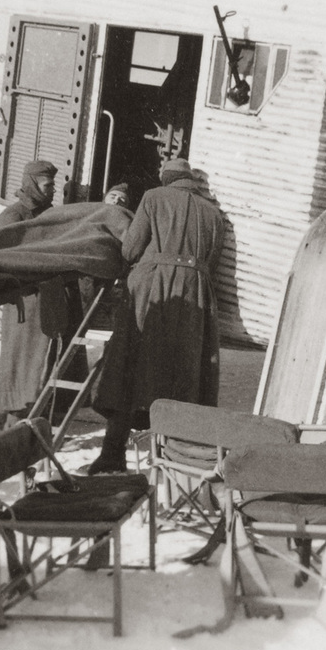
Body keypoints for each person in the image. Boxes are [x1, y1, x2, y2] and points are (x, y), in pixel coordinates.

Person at [89, 157, 225, 474]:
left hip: (154, 293)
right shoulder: (214, 213)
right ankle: (177, 462)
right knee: (184, 375)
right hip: (196, 297)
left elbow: (131, 250)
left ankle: (112, 454)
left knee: (129, 365)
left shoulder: (153, 197)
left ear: (166, 179)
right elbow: (213, 263)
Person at [0, 160, 58, 426]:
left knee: (42, 367)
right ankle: (12, 424)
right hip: (24, 303)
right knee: (20, 365)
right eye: (48, 184)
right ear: (32, 184)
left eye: (53, 184)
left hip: (47, 301)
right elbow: (4, 259)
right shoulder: (12, 217)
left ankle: (34, 424)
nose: (53, 189)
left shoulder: (52, 216)